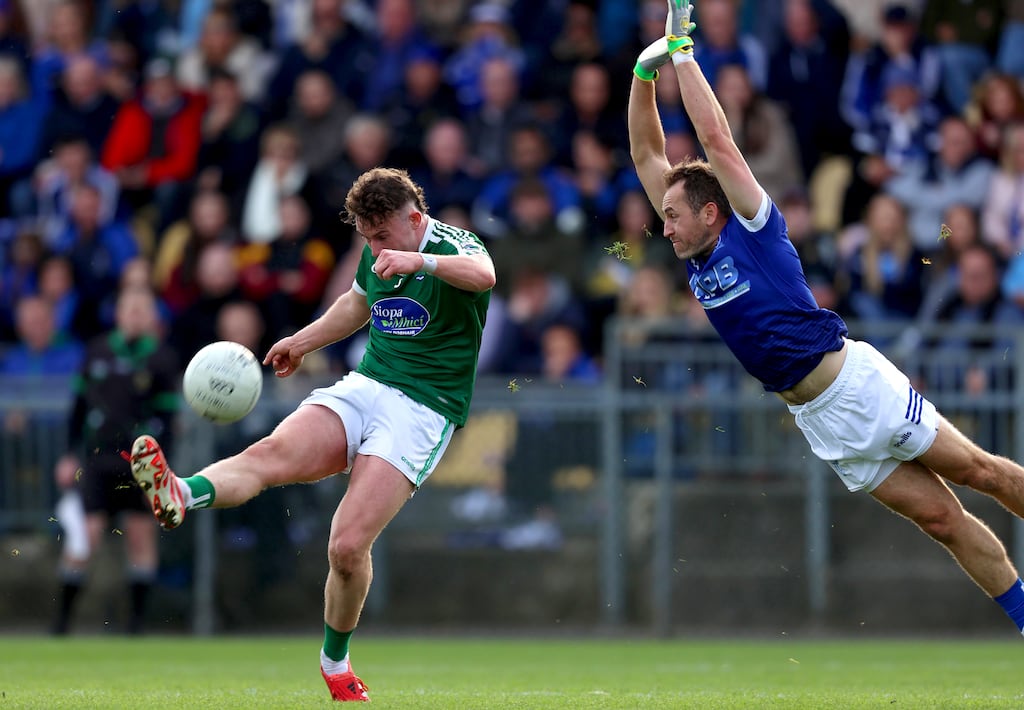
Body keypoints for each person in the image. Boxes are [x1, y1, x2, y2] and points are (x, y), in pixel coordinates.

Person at [628, 0, 1024, 639]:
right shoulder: (692, 255)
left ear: (710, 212)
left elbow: (717, 140)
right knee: (942, 522)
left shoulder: (753, 229)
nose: (663, 226)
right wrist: (644, 77)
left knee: (981, 472)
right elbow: (648, 154)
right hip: (820, 420)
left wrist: (683, 54)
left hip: (856, 386)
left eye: (673, 215)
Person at [128, 167, 495, 701]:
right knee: (268, 453)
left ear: (415, 219)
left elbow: (484, 276)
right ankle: (180, 493)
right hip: (368, 384)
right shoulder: (378, 250)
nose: (374, 248)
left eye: (382, 236)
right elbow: (357, 303)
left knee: (346, 547)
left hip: (422, 410)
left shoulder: (452, 244)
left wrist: (421, 262)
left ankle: (335, 663)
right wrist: (301, 342)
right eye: (366, 238)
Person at [52, 287, 179, 635]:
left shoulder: (161, 359)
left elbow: (168, 422)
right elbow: (78, 409)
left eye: (142, 309)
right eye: (129, 308)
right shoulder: (97, 351)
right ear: (118, 314)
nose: (135, 314)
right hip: (97, 461)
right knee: (86, 537)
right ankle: (61, 622)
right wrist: (68, 454)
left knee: (140, 537)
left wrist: (163, 469)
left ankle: (136, 624)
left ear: (152, 317)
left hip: (141, 466)